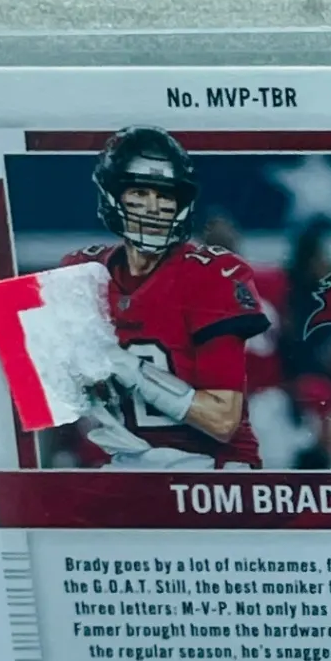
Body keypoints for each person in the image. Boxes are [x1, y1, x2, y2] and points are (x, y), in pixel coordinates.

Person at [61, 126, 269, 468]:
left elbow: (222, 420)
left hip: (211, 469)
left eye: (165, 195)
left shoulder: (209, 275)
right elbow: (34, 387)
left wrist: (128, 368)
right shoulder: (82, 271)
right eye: (140, 192)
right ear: (112, 195)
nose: (154, 207)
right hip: (128, 464)